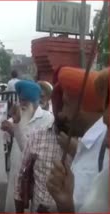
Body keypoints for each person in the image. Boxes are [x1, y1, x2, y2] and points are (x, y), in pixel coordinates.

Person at [14, 67, 104, 212]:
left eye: (66, 104)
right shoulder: (39, 134)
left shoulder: (100, 150)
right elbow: (22, 175)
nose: (63, 114)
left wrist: (77, 152)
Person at [47, 68, 109, 213]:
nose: (62, 113)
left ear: (84, 106)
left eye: (66, 104)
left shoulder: (104, 149)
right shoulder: (87, 144)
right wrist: (65, 206)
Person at [1, 80, 54, 212]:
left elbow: (30, 151)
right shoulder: (18, 115)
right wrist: (2, 127)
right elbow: (4, 139)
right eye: (21, 100)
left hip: (32, 180)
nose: (22, 104)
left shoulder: (47, 119)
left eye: (26, 101)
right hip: (16, 173)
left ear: (35, 101)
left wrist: (15, 129)